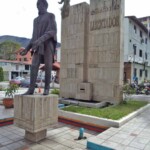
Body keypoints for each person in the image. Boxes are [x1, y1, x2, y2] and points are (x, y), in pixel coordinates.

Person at [20, 0, 57, 95]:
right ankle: (31, 89)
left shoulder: (50, 16)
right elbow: (34, 36)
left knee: (48, 66)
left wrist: (40, 40)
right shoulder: (35, 20)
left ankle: (47, 89)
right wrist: (27, 49)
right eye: (37, 5)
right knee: (34, 66)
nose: (38, 7)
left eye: (40, 4)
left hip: (48, 45)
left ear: (45, 5)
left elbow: (53, 31)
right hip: (37, 46)